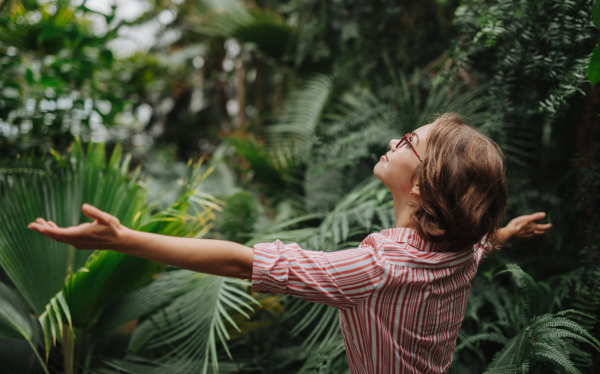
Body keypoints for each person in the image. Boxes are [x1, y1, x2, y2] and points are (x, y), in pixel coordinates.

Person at [27, 113, 552, 374]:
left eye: (409, 142)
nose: (395, 140)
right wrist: (506, 233)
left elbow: (239, 263)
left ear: (421, 186)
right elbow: (481, 247)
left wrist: (125, 239)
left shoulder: (379, 267)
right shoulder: (458, 248)